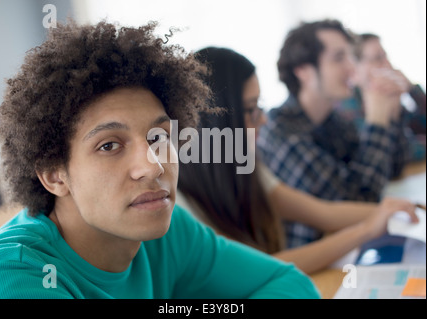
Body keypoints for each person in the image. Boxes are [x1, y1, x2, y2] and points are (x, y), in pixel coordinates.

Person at [0, 21, 320, 299]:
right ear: (54, 175)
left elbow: (292, 285)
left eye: (160, 137)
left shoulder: (166, 230)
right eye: (109, 146)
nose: (154, 165)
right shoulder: (12, 276)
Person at [177, 47, 419, 273]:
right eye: (252, 109)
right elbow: (251, 269)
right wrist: (367, 228)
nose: (263, 120)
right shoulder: (179, 203)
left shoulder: (243, 163)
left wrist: (396, 210)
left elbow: (324, 211)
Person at [257, 20, 410, 247]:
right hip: (317, 267)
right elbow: (359, 201)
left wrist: (391, 111)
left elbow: (393, 169)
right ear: (303, 71)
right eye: (339, 58)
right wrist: (377, 121)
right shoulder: (281, 133)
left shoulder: (333, 121)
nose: (352, 67)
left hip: (349, 249)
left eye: (350, 57)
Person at [337, 33, 426, 162]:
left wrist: (412, 89)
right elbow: (385, 154)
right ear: (355, 68)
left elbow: (420, 127)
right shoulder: (346, 106)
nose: (388, 64)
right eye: (378, 58)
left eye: (386, 56)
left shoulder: (388, 98)